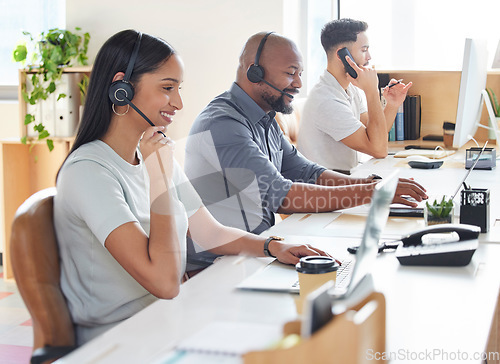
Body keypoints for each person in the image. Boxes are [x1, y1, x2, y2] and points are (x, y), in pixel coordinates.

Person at [54, 29, 329, 345]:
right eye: (167, 88)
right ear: (122, 88)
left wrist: (272, 247)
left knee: (291, 330)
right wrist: (159, 176)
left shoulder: (152, 153)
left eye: (178, 88)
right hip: (123, 339)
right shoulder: (89, 172)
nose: (179, 103)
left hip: (171, 319)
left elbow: (208, 232)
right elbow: (165, 282)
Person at [184, 31, 427, 266]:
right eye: (291, 74)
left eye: (300, 74)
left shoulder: (263, 117)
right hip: (218, 264)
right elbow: (280, 195)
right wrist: (371, 193)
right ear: (254, 72)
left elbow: (307, 172)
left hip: (259, 250)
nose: (299, 83)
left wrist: (372, 186)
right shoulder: (223, 124)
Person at [297, 18, 412, 174]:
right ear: (343, 55)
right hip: (325, 189)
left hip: (344, 180)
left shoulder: (350, 89)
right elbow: (378, 150)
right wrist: (371, 91)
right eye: (364, 50)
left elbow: (375, 136)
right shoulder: (326, 100)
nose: (369, 57)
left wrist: (392, 104)